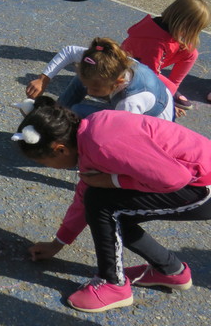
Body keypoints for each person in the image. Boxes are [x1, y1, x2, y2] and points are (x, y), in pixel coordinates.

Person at [14, 97, 211, 313]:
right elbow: (84, 195)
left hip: (201, 188)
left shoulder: (100, 143)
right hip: (192, 179)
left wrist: (113, 181)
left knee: (102, 205)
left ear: (60, 149)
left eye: (44, 163)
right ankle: (171, 270)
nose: (49, 167)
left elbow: (175, 178)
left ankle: (113, 285)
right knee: (104, 207)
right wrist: (58, 242)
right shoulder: (87, 135)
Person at [26, 37, 174, 120]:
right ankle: (55, 115)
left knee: (77, 110)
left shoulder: (130, 103)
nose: (89, 91)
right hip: (142, 99)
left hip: (152, 125)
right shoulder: (106, 60)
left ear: (118, 82)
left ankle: (62, 123)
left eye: (95, 89)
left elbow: (124, 138)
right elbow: (69, 51)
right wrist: (43, 79)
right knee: (82, 79)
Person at [121, 0, 210, 110]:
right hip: (132, 70)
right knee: (167, 88)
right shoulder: (155, 44)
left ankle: (172, 88)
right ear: (185, 23)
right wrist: (166, 100)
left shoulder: (166, 26)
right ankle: (169, 92)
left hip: (146, 64)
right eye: (195, 29)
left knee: (191, 53)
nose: (195, 33)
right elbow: (149, 76)